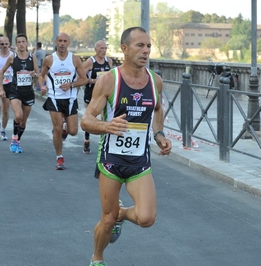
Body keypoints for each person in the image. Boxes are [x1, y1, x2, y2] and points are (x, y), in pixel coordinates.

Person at [80, 27, 172, 266]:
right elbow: (86, 120)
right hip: (111, 160)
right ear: (124, 49)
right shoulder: (110, 80)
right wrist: (107, 126)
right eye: (140, 45)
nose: (146, 51)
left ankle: (123, 214)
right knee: (107, 219)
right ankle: (97, 258)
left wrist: (159, 135)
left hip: (139, 161)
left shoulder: (155, 81)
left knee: (146, 218)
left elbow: (158, 110)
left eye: (149, 46)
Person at [39, 32, 88, 169]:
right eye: (60, 41)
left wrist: (71, 85)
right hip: (54, 98)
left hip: (71, 99)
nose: (62, 43)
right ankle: (59, 157)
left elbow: (84, 79)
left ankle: (65, 130)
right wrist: (42, 86)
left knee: (73, 131)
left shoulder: (75, 59)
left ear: (68, 43)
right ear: (56, 42)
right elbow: (41, 75)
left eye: (65, 41)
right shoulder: (49, 59)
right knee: (57, 128)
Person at [0, 33, 39, 153]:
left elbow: (38, 73)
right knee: (18, 116)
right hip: (15, 91)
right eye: (19, 42)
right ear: (16, 44)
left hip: (28, 92)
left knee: (23, 121)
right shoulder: (12, 57)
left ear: (26, 43)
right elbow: (1, 72)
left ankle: (17, 140)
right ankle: (13, 139)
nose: (21, 44)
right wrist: (1, 88)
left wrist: (35, 75)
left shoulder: (32, 57)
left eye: (23, 42)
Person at [82, 40, 113, 154]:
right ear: (95, 49)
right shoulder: (90, 62)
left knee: (105, 118)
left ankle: (105, 142)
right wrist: (94, 81)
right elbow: (81, 78)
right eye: (101, 48)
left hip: (105, 94)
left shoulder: (108, 61)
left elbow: (111, 76)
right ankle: (86, 139)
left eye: (105, 48)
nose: (103, 51)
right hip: (91, 93)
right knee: (90, 117)